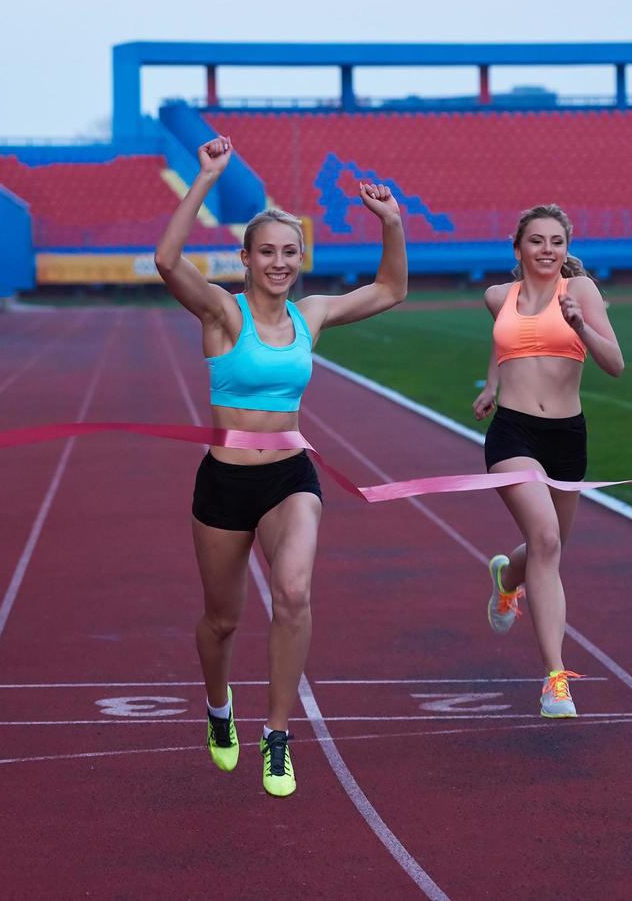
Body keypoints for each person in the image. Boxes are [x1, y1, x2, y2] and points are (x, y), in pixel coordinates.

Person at [155, 136, 407, 797]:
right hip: (224, 482)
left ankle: (277, 734)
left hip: (290, 477)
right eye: (266, 251)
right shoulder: (219, 311)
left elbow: (390, 288)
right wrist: (207, 178)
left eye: (289, 252)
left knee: (294, 592)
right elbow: (166, 259)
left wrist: (392, 223)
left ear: (301, 259)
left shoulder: (311, 315)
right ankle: (219, 710)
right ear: (244, 258)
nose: (278, 262)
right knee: (222, 621)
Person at [471, 205, 624, 718]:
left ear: (565, 248)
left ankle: (506, 580)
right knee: (548, 540)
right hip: (513, 432)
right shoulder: (498, 297)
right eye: (536, 241)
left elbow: (616, 365)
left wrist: (580, 326)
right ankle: (555, 680)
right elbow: (503, 338)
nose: (546, 250)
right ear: (518, 249)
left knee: (548, 547)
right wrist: (493, 385)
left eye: (556, 241)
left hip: (567, 436)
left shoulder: (579, 293)